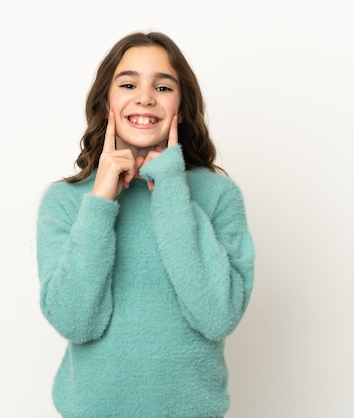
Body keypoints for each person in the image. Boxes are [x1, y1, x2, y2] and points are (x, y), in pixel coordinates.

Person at [36, 31, 255, 417]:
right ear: (107, 101)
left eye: (163, 86)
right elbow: (75, 321)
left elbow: (219, 316)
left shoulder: (219, 195)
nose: (145, 97)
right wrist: (100, 202)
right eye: (128, 83)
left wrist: (172, 190)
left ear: (181, 107)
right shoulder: (66, 202)